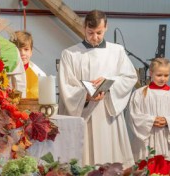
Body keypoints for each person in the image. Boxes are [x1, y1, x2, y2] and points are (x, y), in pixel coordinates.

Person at [58, 10, 137, 167]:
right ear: (84, 28)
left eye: (99, 32)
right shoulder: (70, 54)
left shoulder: (117, 51)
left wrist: (109, 83)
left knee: (110, 161)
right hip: (84, 114)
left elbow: (129, 77)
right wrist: (85, 96)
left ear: (106, 27)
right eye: (90, 32)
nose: (95, 37)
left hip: (108, 115)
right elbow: (66, 86)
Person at [128, 58, 170, 176]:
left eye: (166, 75)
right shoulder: (139, 94)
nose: (162, 78)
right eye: (159, 75)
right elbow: (133, 116)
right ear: (151, 73)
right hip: (145, 143)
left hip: (165, 143)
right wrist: (151, 120)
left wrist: (167, 121)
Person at [11, 30, 46, 99]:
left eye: (26, 49)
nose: (22, 53)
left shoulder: (40, 75)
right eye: (18, 49)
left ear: (31, 51)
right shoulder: (6, 73)